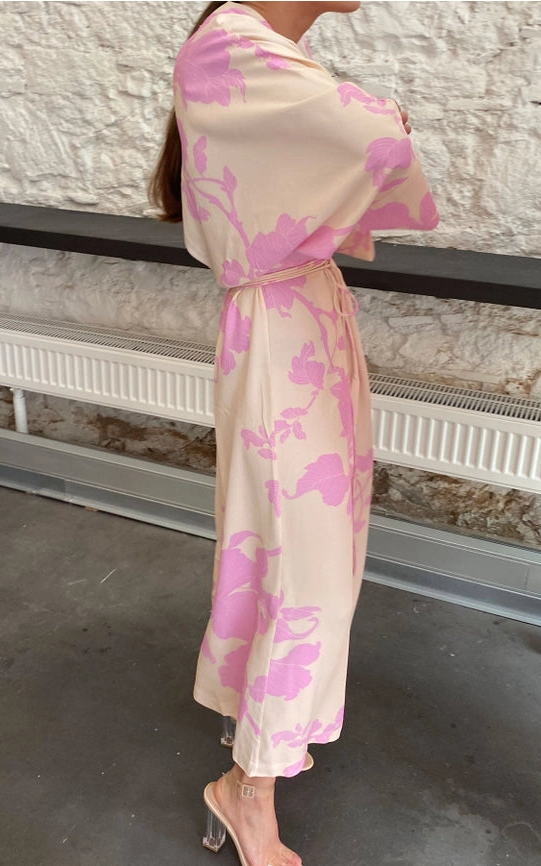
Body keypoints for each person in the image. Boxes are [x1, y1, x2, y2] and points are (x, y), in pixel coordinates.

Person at [149, 3, 439, 864]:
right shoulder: (232, 46)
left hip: (303, 316)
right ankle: (247, 791)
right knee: (301, 565)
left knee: (309, 553)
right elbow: (376, 138)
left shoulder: (259, 52)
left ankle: (255, 729)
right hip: (283, 329)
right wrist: (390, 115)